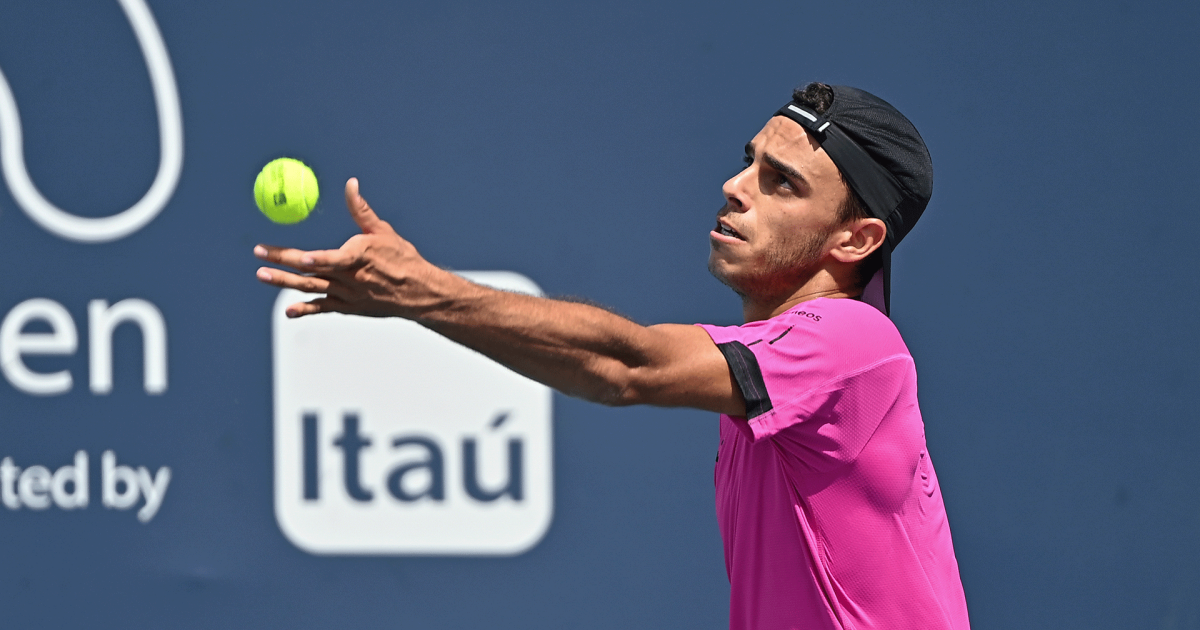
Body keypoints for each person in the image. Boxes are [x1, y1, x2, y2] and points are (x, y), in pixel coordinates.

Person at [254, 82, 970, 630]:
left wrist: (423, 292)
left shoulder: (851, 345)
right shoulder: (779, 373)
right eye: (749, 162)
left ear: (856, 241)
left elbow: (629, 369)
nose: (736, 186)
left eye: (781, 182)